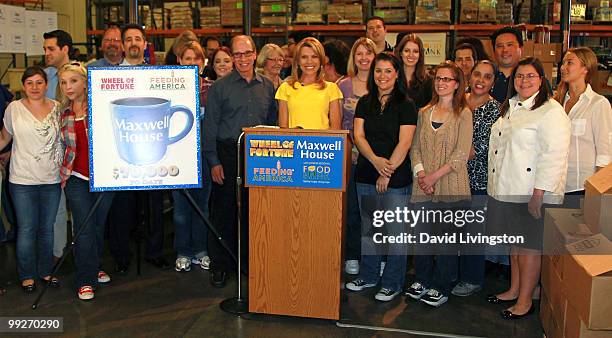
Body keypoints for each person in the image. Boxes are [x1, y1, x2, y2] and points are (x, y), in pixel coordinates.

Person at [487, 57, 571, 319]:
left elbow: (553, 156)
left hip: (531, 191)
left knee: (529, 248)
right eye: (520, 76)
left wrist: (539, 194)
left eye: (530, 76)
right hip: (507, 187)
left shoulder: (550, 111)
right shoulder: (512, 106)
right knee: (514, 245)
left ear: (541, 80)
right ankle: (514, 289)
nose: (524, 81)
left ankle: (525, 301)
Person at [203, 35, 277, 288]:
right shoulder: (220, 88)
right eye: (237, 55)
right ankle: (220, 264)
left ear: (256, 54)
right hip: (227, 154)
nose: (242, 59)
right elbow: (210, 127)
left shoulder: (267, 86)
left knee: (253, 210)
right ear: (232, 57)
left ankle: (247, 261)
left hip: (258, 155)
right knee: (223, 210)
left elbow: (274, 124)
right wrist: (214, 161)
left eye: (247, 53)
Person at [345, 52, 417, 302]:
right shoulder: (365, 102)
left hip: (395, 178)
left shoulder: (406, 104)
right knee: (370, 230)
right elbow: (359, 136)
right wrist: (375, 162)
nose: (382, 76)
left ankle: (393, 283)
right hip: (365, 173)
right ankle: (369, 275)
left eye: (388, 71)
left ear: (397, 74)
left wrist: (387, 172)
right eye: (378, 71)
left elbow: (405, 142)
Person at [405, 61, 473, 308]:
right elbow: (415, 149)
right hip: (422, 185)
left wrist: (434, 177)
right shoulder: (424, 112)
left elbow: (460, 155)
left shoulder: (463, 114)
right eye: (439, 79)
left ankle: (441, 286)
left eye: (447, 79)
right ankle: (422, 280)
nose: (442, 83)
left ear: (457, 85)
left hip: (451, 187)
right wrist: (422, 174)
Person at [107, 23, 170, 273]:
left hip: (152, 148)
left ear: (145, 44)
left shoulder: (157, 76)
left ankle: (155, 252)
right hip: (123, 150)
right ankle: (122, 257)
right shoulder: (110, 77)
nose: (134, 43)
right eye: (129, 39)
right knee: (122, 208)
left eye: (138, 39)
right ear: (122, 45)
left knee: (155, 207)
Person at [0, 66, 62, 293]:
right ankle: (27, 276)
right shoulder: (13, 109)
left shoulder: (57, 108)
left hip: (51, 178)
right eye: (30, 83)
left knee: (46, 228)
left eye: (39, 82)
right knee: (26, 229)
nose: (35, 87)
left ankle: (45, 271)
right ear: (23, 86)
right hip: (22, 179)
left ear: (47, 84)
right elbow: (5, 137)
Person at [58, 62, 115, 300]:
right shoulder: (62, 112)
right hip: (76, 177)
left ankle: (93, 265)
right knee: (83, 228)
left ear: (85, 82)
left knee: (98, 226)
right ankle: (85, 279)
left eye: (73, 81)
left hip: (104, 176)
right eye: (63, 82)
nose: (68, 87)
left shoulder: (101, 107)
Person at [451, 60, 501, 297]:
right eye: (477, 75)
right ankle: (450, 273)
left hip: (476, 179)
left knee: (472, 232)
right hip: (451, 177)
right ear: (469, 77)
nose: (481, 80)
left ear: (493, 81)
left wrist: (448, 159)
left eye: (487, 77)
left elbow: (479, 147)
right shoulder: (458, 101)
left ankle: (471, 279)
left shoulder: (495, 109)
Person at [337, 37, 376, 275]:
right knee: (351, 208)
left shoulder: (381, 82)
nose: (363, 58)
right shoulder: (343, 85)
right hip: (349, 157)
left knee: (373, 210)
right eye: (359, 53)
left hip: (374, 156)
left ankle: (375, 257)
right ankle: (352, 254)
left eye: (368, 53)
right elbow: (338, 122)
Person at [171, 41, 211, 273]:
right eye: (187, 59)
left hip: (204, 156)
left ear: (203, 62)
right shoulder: (170, 89)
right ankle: (183, 251)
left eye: (197, 59)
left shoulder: (212, 88)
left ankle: (201, 251)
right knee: (181, 209)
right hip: (178, 157)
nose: (192, 63)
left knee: (202, 206)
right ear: (179, 61)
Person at [555, 47, 612, 207]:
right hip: (556, 186)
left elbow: (605, 152)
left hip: (582, 187)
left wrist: (598, 192)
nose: (563, 67)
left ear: (585, 69)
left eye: (569, 63)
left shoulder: (598, 104)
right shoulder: (557, 103)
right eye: (563, 62)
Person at [43, 29, 71, 263]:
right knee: (56, 204)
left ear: (65, 49)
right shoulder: (43, 79)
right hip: (50, 151)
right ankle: (56, 254)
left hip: (76, 149)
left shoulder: (80, 75)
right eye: (45, 49)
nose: (47, 53)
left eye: (51, 48)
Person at [276, 37, 342, 130]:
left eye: (314, 57)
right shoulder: (285, 88)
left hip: (322, 143)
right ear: (298, 61)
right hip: (295, 142)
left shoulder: (331, 88)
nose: (309, 61)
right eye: (304, 57)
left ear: (321, 60)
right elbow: (283, 130)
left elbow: (336, 130)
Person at [395, 34, 433, 111]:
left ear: (420, 55)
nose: (411, 55)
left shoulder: (429, 81)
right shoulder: (392, 78)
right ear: (400, 53)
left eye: (415, 51)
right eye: (407, 51)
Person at [490, 26, 523, 103]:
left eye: (510, 45)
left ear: (520, 48)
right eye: (500, 46)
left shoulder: (531, 79)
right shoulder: (487, 77)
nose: (505, 50)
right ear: (494, 51)